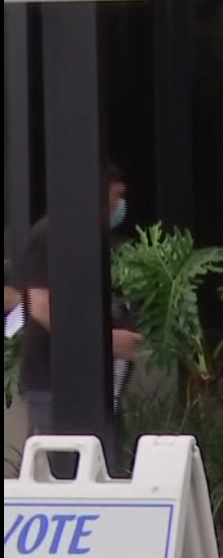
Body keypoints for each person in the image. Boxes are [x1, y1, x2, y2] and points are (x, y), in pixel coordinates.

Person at [14, 161, 144, 472]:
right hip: (55, 379)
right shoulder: (51, 233)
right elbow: (42, 308)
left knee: (102, 465)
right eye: (116, 195)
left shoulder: (93, 238)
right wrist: (105, 342)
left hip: (95, 380)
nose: (119, 205)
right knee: (68, 469)